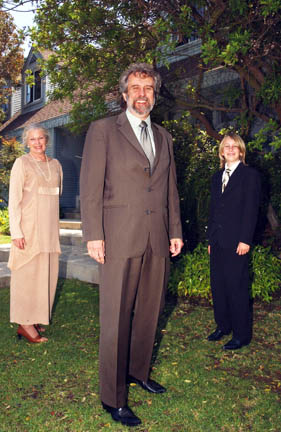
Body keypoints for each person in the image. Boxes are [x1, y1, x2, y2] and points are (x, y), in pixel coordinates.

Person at [80, 63, 183, 426]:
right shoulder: (104, 130)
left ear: (155, 94)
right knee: (116, 318)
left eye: (149, 88)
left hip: (156, 235)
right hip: (118, 236)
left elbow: (168, 187)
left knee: (151, 311)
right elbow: (90, 186)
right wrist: (94, 233)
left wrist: (174, 230)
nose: (143, 93)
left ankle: (138, 373)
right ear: (124, 94)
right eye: (136, 87)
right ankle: (113, 396)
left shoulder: (164, 137)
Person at [8, 124, 63, 343]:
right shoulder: (22, 164)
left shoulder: (56, 164)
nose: (38, 142)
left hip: (49, 230)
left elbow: (56, 197)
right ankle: (24, 323)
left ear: (46, 140)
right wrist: (17, 232)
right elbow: (14, 200)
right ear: (26, 142)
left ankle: (36, 316)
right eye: (33, 139)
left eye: (41, 138)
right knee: (26, 276)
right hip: (29, 229)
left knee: (45, 276)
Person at [207, 132, 261, 350]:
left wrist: (245, 240)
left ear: (241, 151)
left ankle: (241, 334)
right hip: (218, 241)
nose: (230, 149)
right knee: (218, 285)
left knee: (236, 287)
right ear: (221, 151)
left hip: (238, 242)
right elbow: (213, 211)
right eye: (226, 146)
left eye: (234, 146)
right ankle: (223, 325)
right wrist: (210, 239)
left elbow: (251, 210)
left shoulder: (250, 176)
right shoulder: (216, 177)